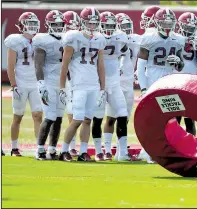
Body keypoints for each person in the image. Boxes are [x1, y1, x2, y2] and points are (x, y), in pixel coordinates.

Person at [136, 8, 185, 163]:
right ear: (157, 22)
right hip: (153, 81)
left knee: (171, 118)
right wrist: (144, 88)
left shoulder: (178, 39)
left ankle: (166, 149)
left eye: (170, 22)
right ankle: (149, 150)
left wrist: (178, 62)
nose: (167, 25)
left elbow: (181, 66)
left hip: (170, 81)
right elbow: (140, 66)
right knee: (153, 119)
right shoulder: (149, 38)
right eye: (164, 21)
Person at [59, 7, 106, 162]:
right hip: (78, 84)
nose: (92, 26)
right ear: (82, 22)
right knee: (77, 119)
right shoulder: (73, 37)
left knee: (87, 119)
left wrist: (102, 88)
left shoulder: (100, 39)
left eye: (95, 23)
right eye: (89, 23)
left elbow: (100, 65)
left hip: (93, 84)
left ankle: (83, 152)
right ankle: (64, 151)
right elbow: (64, 65)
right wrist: (61, 87)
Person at [102, 13, 141, 160]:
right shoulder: (114, 39)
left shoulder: (136, 39)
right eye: (123, 27)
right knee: (111, 118)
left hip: (129, 85)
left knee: (124, 119)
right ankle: (106, 150)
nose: (126, 29)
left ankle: (121, 151)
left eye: (127, 26)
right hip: (115, 83)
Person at [4, 12, 43, 157]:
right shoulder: (15, 41)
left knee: (38, 115)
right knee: (18, 116)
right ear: (22, 25)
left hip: (36, 83)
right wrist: (14, 85)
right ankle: (14, 148)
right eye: (29, 23)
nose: (32, 27)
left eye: (34, 24)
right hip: (21, 82)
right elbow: (10, 65)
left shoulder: (40, 40)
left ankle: (40, 147)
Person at [33, 10, 66, 160]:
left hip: (62, 83)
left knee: (59, 117)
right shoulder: (42, 39)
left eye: (60, 24)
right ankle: (39, 149)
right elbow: (38, 65)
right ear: (48, 25)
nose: (58, 27)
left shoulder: (67, 38)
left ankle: (52, 150)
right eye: (55, 24)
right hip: (48, 82)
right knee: (50, 116)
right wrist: (41, 84)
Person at [175, 12, 197, 136]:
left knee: (190, 119)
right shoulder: (174, 39)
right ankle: (174, 144)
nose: (190, 31)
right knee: (176, 117)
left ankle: (191, 146)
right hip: (176, 82)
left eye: (193, 28)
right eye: (188, 27)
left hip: (191, 84)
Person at [63, 10, 81, 157]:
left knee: (78, 113)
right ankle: (70, 146)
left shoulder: (81, 38)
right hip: (66, 79)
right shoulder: (60, 39)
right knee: (70, 112)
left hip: (79, 79)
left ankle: (73, 146)